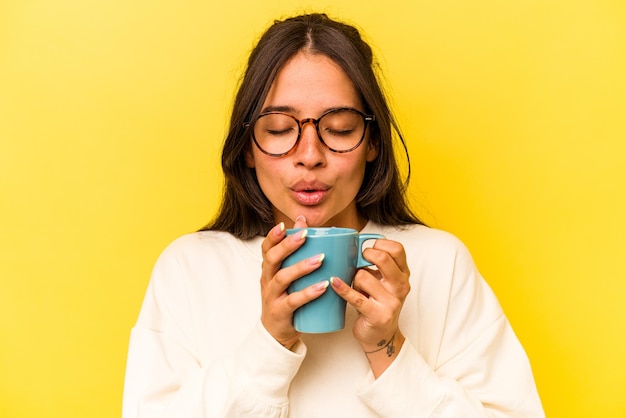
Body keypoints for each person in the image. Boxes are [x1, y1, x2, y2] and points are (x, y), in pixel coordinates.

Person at [122, 13, 544, 417]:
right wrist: (270, 340)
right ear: (248, 145)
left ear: (373, 142)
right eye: (280, 130)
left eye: (339, 129)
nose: (310, 156)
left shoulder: (439, 261)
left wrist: (387, 348)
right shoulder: (190, 268)